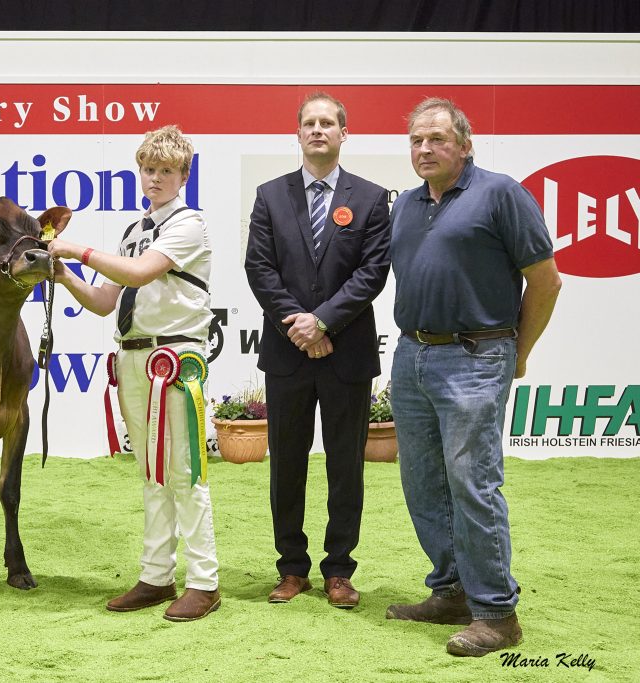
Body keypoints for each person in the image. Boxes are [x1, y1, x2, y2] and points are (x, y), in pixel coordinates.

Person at [386, 97, 561, 656]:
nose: (424, 148)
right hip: (412, 356)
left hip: (475, 355)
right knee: (423, 483)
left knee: (472, 483)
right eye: (416, 139)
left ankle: (496, 613)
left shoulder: (500, 192)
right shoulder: (408, 205)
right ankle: (452, 590)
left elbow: (547, 281)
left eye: (437, 138)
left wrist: (517, 352)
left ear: (464, 143)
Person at [47, 125, 220, 622]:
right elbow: (107, 301)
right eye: (149, 169)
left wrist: (74, 250)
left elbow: (142, 273)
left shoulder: (190, 224)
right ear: (139, 172)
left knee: (184, 471)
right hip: (135, 358)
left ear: (184, 175)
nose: (156, 178)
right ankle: (156, 575)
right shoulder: (133, 230)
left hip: (175, 360)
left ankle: (204, 582)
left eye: (167, 170)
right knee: (152, 471)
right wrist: (64, 275)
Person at [244, 92, 391, 609]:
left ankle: (339, 570)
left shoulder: (372, 198)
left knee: (345, 465)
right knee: (286, 463)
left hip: (346, 354)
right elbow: (259, 270)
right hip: (288, 355)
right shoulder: (269, 195)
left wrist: (323, 321)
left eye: (328, 123)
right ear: (298, 133)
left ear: (344, 133)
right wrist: (299, 328)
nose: (318, 130)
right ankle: (291, 568)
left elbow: (372, 272)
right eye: (309, 123)